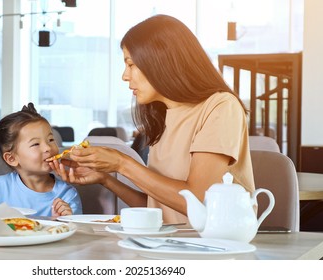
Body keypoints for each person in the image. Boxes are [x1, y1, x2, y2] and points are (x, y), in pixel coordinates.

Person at [49, 14, 255, 224]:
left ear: (160, 61)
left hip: (211, 245)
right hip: (167, 243)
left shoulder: (221, 106)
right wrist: (106, 179)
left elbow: (197, 201)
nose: (124, 75)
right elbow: (161, 208)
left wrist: (121, 163)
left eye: (130, 64)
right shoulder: (163, 115)